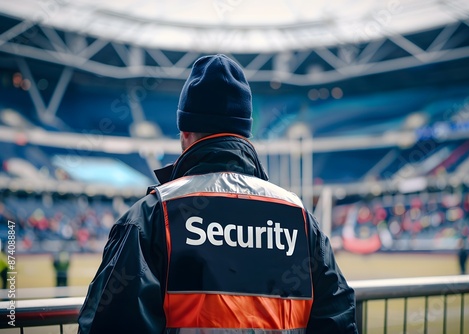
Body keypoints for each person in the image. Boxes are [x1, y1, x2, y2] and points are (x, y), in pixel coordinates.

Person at [78, 54, 358, 334]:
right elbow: (339, 321)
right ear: (245, 134)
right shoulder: (300, 217)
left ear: (184, 132)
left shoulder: (152, 215)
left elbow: (110, 323)